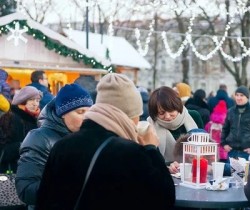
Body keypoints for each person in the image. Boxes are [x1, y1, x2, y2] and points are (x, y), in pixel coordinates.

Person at [36, 73, 175, 210]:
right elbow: (164, 199)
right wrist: (151, 148)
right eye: (137, 115)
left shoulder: (62, 146)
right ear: (128, 117)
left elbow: (44, 200)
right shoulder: (130, 153)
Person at [16, 84, 93, 210]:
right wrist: (69, 184)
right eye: (80, 112)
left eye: (90, 112)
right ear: (63, 113)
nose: (86, 118)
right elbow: (26, 189)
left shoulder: (88, 136)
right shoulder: (40, 138)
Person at [147, 86, 203, 173]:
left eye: (171, 111)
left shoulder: (194, 116)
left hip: (194, 172)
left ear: (177, 106)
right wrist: (167, 167)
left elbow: (204, 147)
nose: (167, 116)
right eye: (161, 113)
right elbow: (149, 160)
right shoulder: (149, 125)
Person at [0, 86, 42, 173]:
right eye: (31, 100)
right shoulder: (10, 119)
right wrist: (22, 146)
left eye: (37, 100)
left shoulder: (37, 121)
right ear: (22, 101)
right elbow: (3, 150)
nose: (35, 104)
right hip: (11, 172)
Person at [221, 86, 250, 161]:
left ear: (247, 97)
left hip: (246, 153)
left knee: (245, 173)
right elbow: (225, 128)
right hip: (232, 151)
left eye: (241, 95)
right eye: (237, 95)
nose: (239, 98)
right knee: (228, 172)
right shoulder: (230, 111)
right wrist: (224, 143)